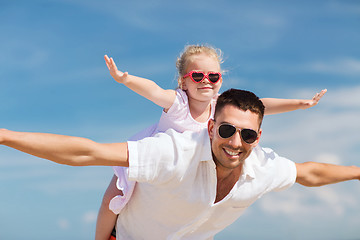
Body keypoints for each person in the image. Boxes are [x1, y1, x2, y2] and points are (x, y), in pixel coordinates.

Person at [0, 89, 358, 240]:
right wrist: (4, 136)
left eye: (247, 135)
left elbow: (311, 173)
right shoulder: (173, 153)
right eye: (228, 130)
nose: (236, 142)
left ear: (259, 137)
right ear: (210, 127)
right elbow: (87, 152)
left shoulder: (262, 166)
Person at [98, 44, 327, 240]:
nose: (206, 81)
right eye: (197, 76)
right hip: (162, 162)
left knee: (206, 217)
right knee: (113, 198)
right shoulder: (178, 102)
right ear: (183, 82)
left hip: (195, 171)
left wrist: (299, 104)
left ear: (220, 80)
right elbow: (153, 90)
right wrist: (124, 78)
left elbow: (262, 104)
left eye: (213, 76)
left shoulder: (220, 106)